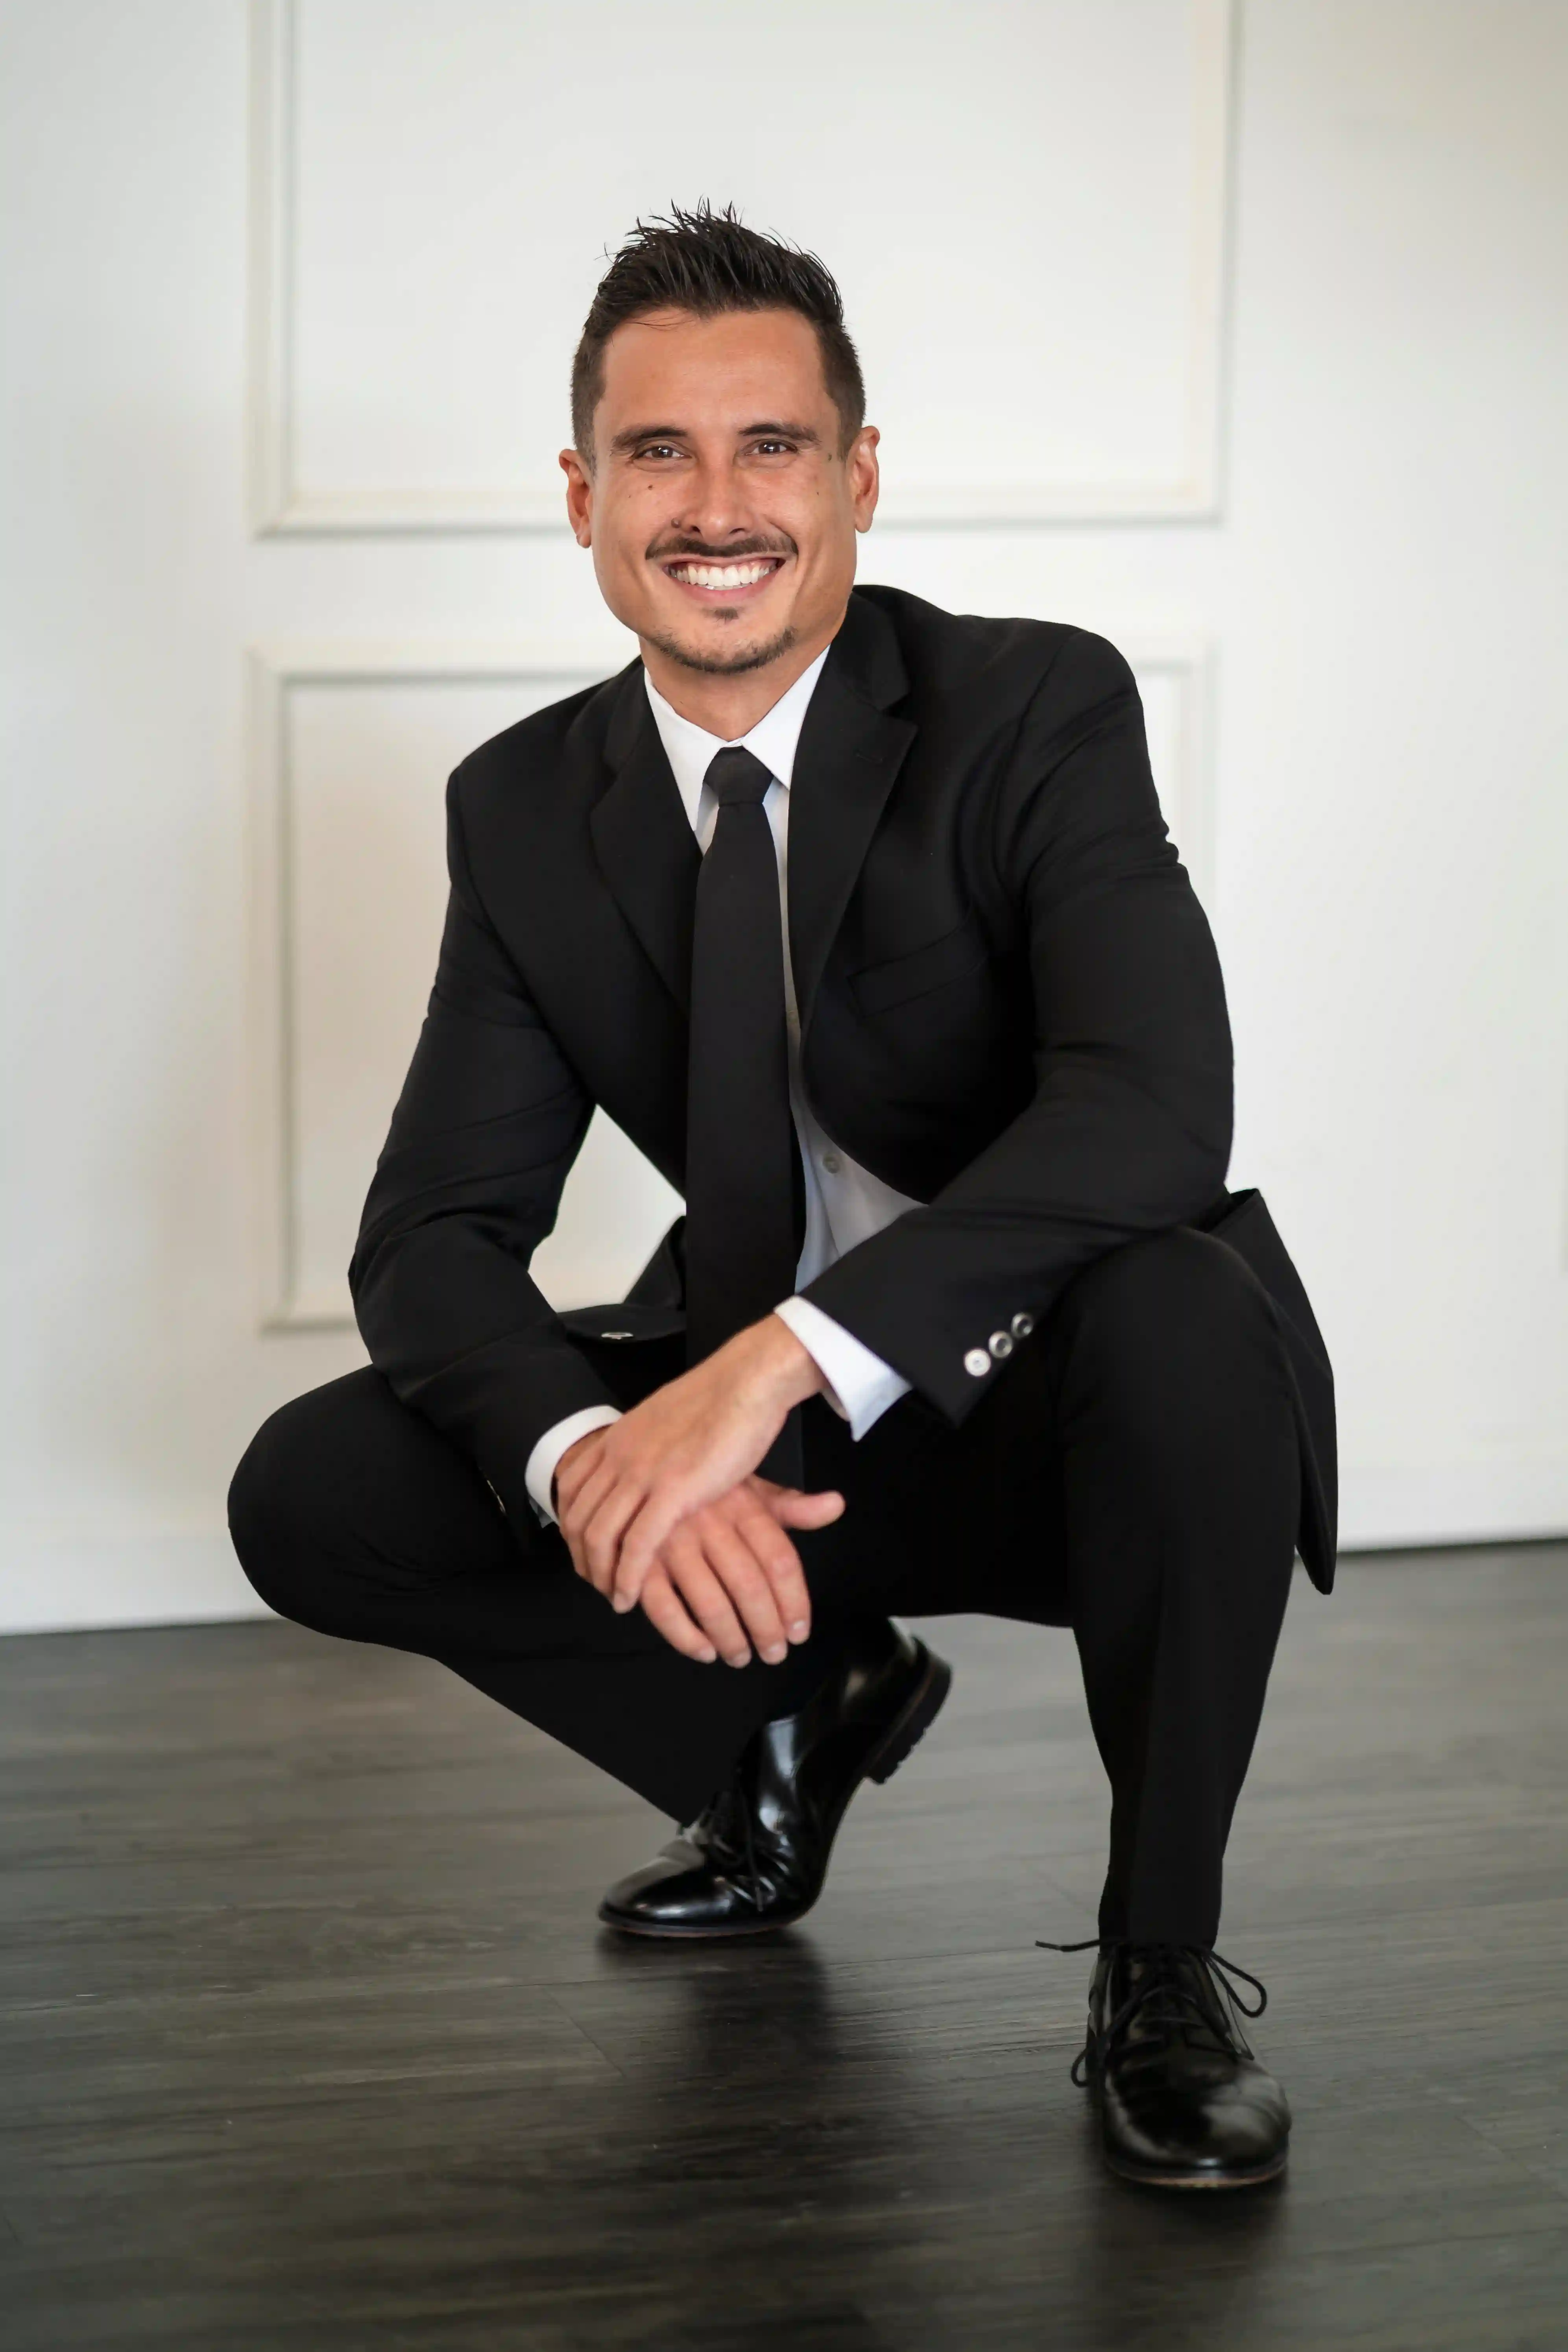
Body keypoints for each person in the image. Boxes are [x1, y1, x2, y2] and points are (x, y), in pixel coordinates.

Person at [228, 201, 1337, 2192]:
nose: (718, 506)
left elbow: (1156, 1110)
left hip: (1067, 1407)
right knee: (315, 1485)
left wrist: (772, 1366)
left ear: (858, 479)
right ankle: (808, 1704)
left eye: (773, 447)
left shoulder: (1035, 709)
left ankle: (1162, 1968)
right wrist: (597, 1455)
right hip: (799, 1454)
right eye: (659, 452)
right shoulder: (524, 805)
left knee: (1184, 1304)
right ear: (585, 497)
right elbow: (434, 1232)